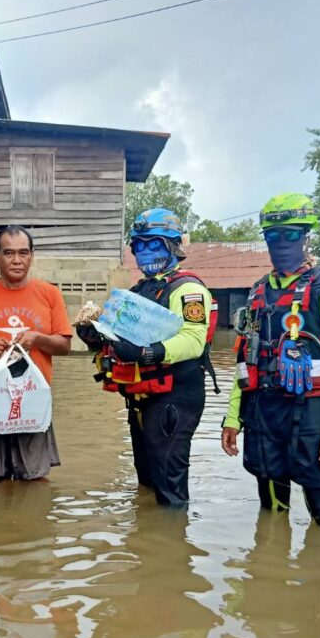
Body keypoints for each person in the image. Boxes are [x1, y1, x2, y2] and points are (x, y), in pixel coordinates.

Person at [221, 193, 320, 528]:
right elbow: (245, 359)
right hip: (263, 412)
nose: (282, 242)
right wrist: (233, 417)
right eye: (273, 235)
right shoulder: (256, 293)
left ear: (306, 236)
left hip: (312, 413)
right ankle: (269, 557)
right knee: (271, 511)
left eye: (291, 234)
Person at [77, 208, 216, 507]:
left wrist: (147, 353)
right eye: (139, 245)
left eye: (154, 244)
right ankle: (149, 533)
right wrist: (94, 338)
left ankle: (172, 533)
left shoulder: (189, 290)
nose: (145, 252)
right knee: (147, 481)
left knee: (169, 487)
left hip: (175, 398)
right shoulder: (139, 291)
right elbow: (119, 340)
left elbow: (194, 340)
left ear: (173, 246)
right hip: (143, 399)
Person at [0, 226, 72, 482]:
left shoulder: (50, 294)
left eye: (23, 253)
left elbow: (64, 346)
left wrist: (38, 338)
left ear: (32, 255)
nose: (17, 260)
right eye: (8, 253)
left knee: (34, 480)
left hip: (33, 402)